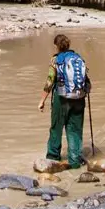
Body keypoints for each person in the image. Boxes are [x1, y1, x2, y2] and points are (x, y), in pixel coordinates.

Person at [38, 33, 90, 168]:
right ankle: (75, 161)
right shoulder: (79, 58)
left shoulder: (56, 60)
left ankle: (53, 159)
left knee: (56, 128)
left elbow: (50, 81)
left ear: (56, 46)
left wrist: (42, 101)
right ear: (68, 45)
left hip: (61, 99)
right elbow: (88, 84)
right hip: (79, 99)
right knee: (75, 130)